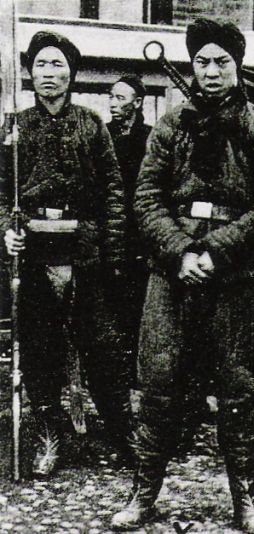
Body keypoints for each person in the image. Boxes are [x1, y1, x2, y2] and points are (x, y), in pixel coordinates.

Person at [111, 17, 254, 533]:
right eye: (202, 62)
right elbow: (146, 199)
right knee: (158, 384)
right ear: (193, 66)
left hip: (236, 275)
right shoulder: (170, 126)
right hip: (173, 274)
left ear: (238, 66)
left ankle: (245, 501)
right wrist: (181, 253)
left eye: (222, 62)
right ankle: (144, 493)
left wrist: (216, 252)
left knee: (242, 388)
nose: (211, 72)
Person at [0, 30, 132, 475]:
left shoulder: (91, 124)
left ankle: (123, 434)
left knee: (103, 349)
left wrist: (111, 252)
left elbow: (114, 192)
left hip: (84, 253)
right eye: (40, 64)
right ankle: (48, 436)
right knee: (41, 353)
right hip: (34, 255)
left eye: (57, 64)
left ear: (72, 74)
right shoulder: (15, 126)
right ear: (30, 73)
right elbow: (1, 194)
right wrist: (7, 231)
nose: (48, 73)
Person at [107, 75, 152, 385]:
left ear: (137, 103)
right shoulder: (103, 135)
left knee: (138, 302)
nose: (113, 103)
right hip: (111, 227)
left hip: (140, 233)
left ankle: (137, 371)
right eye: (111, 96)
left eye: (120, 98)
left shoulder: (149, 138)